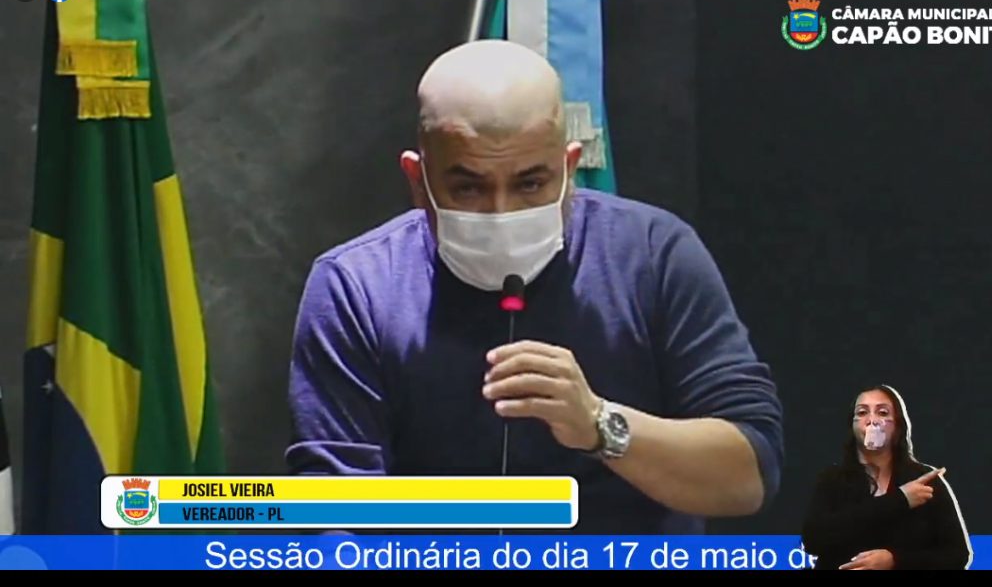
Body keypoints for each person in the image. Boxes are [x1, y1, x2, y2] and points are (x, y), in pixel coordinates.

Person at [285, 39, 783, 533]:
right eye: (468, 187)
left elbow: (748, 475)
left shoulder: (654, 256)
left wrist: (600, 425)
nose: (501, 213)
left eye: (530, 184)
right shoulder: (356, 286)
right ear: (419, 179)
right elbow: (333, 512)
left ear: (569, 168)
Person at [800, 384, 972, 569]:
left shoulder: (923, 482)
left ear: (897, 425)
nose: (872, 420)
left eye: (882, 413)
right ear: (852, 425)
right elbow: (813, 540)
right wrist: (901, 499)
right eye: (862, 412)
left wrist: (895, 561)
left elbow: (957, 556)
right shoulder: (832, 479)